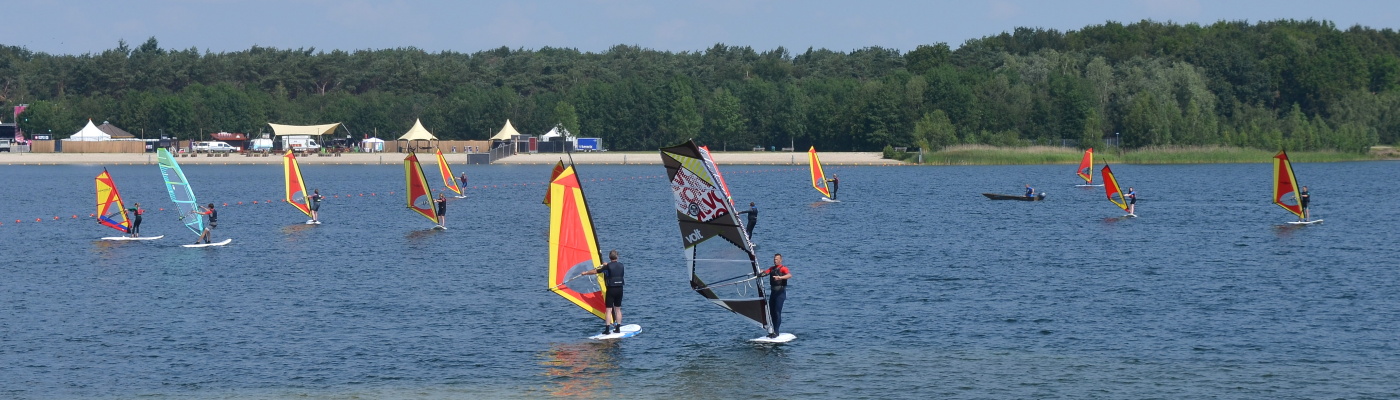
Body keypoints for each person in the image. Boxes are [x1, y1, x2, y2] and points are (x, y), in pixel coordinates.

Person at [582, 250, 626, 334]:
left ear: (609, 257)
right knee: (618, 309)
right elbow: (614, 268)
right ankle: (618, 328)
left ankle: (607, 330)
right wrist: (607, 265)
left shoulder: (607, 266)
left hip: (611, 290)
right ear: (617, 257)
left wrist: (585, 273)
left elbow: (595, 271)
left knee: (608, 310)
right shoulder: (621, 265)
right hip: (620, 289)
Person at [758, 253, 792, 338]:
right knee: (771, 312)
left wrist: (780, 278)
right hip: (773, 293)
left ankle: (776, 331)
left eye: (777, 259)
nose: (775, 260)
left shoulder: (783, 268)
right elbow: (765, 273)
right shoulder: (771, 268)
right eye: (774, 259)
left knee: (777, 312)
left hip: (780, 293)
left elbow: (789, 275)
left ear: (780, 260)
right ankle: (772, 331)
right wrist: (761, 272)